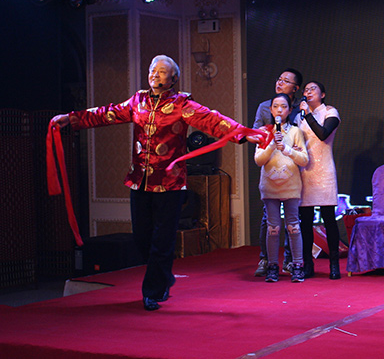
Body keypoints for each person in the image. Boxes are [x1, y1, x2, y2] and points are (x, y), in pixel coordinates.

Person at [51, 55, 262, 311]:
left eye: (162, 71)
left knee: (162, 240)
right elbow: (106, 114)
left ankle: (153, 291)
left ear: (173, 79)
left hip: (170, 185)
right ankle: (163, 277)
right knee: (142, 238)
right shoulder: (137, 101)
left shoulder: (182, 104)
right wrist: (71, 119)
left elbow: (212, 120)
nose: (155, 74)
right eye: (153, 69)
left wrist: (244, 134)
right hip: (140, 182)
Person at [252, 68, 304, 277]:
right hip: (271, 175)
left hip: (292, 176)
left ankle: (294, 262)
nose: (280, 82)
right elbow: (256, 143)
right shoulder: (264, 110)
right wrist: (269, 141)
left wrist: (290, 148)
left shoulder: (300, 113)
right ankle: (268, 261)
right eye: (279, 79)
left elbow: (304, 151)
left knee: (294, 224)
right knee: (271, 223)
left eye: (286, 80)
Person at [296, 81, 341, 280]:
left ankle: (334, 264)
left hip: (324, 171)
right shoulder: (299, 116)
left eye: (312, 88)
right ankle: (308, 263)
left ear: (322, 94)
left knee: (329, 219)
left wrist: (308, 115)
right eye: (306, 89)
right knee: (305, 221)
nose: (308, 92)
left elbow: (323, 134)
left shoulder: (330, 112)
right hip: (305, 171)